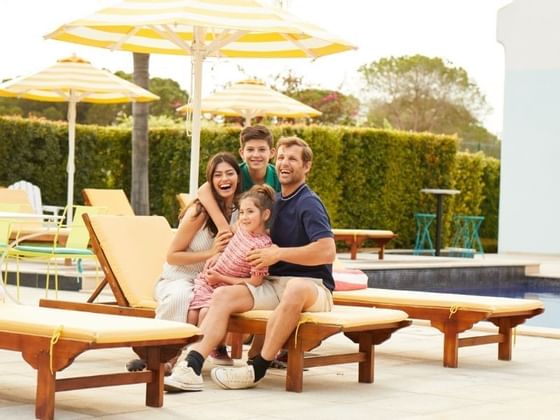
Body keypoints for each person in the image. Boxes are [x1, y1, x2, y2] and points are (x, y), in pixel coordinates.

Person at [164, 136, 336, 392]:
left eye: (292, 159)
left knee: (295, 288)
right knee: (223, 295)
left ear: (306, 166)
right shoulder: (273, 202)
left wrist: (278, 254)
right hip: (272, 284)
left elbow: (327, 251)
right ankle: (192, 365)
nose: (285, 163)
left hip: (312, 288)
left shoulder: (308, 203)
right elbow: (242, 228)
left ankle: (257, 366)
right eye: (281, 158)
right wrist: (218, 256)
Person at [127, 152, 241, 372]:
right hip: (177, 277)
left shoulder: (239, 212)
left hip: (209, 280)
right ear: (210, 181)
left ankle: (180, 360)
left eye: (230, 173)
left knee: (205, 305)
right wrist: (210, 252)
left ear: (238, 177)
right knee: (182, 297)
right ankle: (160, 355)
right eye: (217, 175)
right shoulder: (198, 212)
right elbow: (172, 256)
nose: (224, 179)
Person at [186, 184, 275, 329]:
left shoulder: (261, 246)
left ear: (265, 215)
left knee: (204, 314)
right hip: (209, 280)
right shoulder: (240, 226)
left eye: (250, 212)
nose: (244, 217)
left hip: (227, 287)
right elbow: (228, 239)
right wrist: (218, 254)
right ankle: (187, 350)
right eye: (242, 212)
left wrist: (220, 278)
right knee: (191, 314)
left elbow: (255, 282)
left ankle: (206, 349)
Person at [198, 125, 280, 234]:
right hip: (239, 233)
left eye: (262, 149)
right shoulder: (235, 174)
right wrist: (223, 227)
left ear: (272, 153)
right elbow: (203, 190)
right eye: (250, 149)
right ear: (242, 153)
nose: (256, 154)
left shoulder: (278, 176)